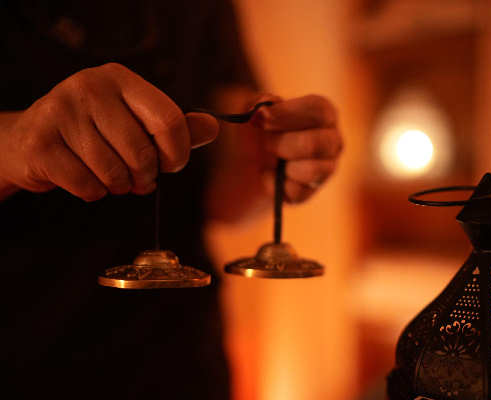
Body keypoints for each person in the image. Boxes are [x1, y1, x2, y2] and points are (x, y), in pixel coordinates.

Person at [0, 1, 342, 399]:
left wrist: (270, 167)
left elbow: (222, 198)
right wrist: (13, 144)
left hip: (181, 359)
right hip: (23, 357)